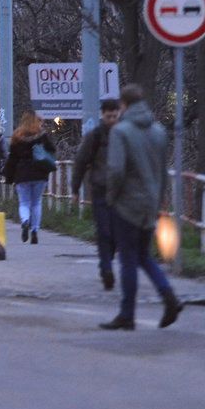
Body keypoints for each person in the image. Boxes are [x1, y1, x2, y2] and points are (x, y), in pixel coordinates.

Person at [100, 85, 183, 331]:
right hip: (150, 202)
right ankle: (169, 296)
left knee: (127, 259)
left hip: (127, 203)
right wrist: (159, 200)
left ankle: (127, 314)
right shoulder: (158, 131)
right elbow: (162, 170)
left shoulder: (120, 132)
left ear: (123, 105)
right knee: (143, 256)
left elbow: (115, 170)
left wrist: (111, 197)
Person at [72, 99, 122, 290]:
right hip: (100, 189)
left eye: (114, 116)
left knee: (117, 233)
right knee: (103, 231)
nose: (111, 120)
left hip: (121, 192)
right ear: (103, 115)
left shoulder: (124, 135)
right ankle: (106, 268)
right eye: (108, 116)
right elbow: (81, 161)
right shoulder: (95, 136)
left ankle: (107, 260)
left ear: (119, 114)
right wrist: (75, 188)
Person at [4, 110, 56, 244]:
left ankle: (25, 221)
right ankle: (35, 230)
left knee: (24, 202)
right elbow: (52, 149)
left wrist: (9, 177)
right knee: (36, 202)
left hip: (22, 174)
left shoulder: (17, 136)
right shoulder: (42, 135)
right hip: (39, 173)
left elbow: (12, 159)